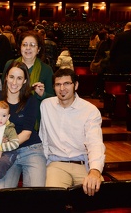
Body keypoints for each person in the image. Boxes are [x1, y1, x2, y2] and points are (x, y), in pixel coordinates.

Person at [39, 68, 105, 196]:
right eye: (58, 84)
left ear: (76, 85)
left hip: (82, 164)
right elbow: (43, 139)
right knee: (53, 199)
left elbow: (95, 143)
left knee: (99, 197)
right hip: (56, 164)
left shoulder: (90, 110)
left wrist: (95, 171)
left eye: (67, 83)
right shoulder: (46, 105)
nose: (62, 88)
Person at [0, 61, 46, 188]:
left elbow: (26, 134)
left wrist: (1, 147)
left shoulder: (31, 100)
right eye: (11, 77)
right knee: (0, 194)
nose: (14, 83)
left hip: (31, 149)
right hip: (6, 153)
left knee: (36, 194)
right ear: (6, 77)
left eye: (19, 78)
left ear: (25, 81)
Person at [2, 31, 54, 131]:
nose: (28, 48)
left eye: (32, 45)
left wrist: (43, 94)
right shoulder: (10, 65)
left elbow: (54, 99)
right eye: (25, 45)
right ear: (20, 47)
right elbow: (3, 90)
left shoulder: (46, 70)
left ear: (38, 49)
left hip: (35, 120)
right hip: (9, 117)